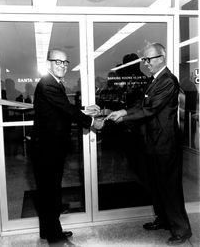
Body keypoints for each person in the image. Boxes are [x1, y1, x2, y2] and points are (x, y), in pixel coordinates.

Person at [106, 43, 192, 245]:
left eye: (149, 59)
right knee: (156, 185)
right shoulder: (155, 80)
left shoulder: (168, 81)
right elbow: (142, 104)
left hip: (165, 143)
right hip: (153, 142)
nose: (146, 63)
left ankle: (182, 229)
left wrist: (124, 117)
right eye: (144, 60)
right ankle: (163, 220)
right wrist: (124, 111)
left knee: (169, 187)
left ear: (161, 58)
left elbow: (149, 110)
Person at [32, 48, 102, 244]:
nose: (62, 66)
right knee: (49, 191)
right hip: (47, 149)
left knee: (50, 190)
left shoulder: (54, 84)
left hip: (49, 147)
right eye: (58, 62)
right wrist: (91, 122)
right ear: (49, 64)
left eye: (65, 62)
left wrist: (84, 110)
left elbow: (61, 108)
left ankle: (49, 231)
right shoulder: (48, 84)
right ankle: (55, 237)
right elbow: (65, 108)